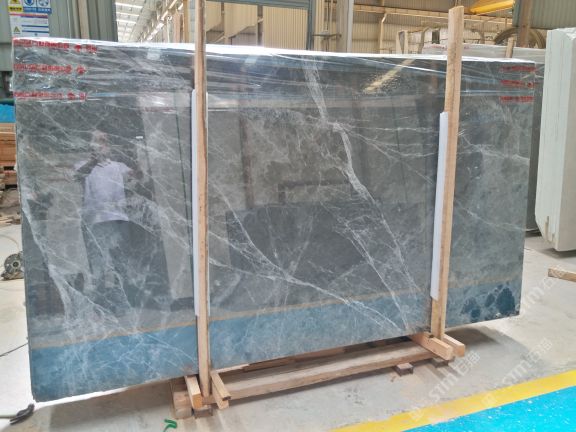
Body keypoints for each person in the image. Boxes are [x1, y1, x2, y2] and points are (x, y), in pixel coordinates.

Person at [75, 130, 137, 312]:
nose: (101, 145)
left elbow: (137, 175)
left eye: (104, 141)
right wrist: (93, 161)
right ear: (89, 144)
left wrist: (135, 161)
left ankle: (123, 301)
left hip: (118, 219)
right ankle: (102, 304)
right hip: (95, 221)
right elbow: (76, 176)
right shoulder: (82, 165)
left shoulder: (118, 166)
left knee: (120, 262)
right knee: (99, 264)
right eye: (97, 141)